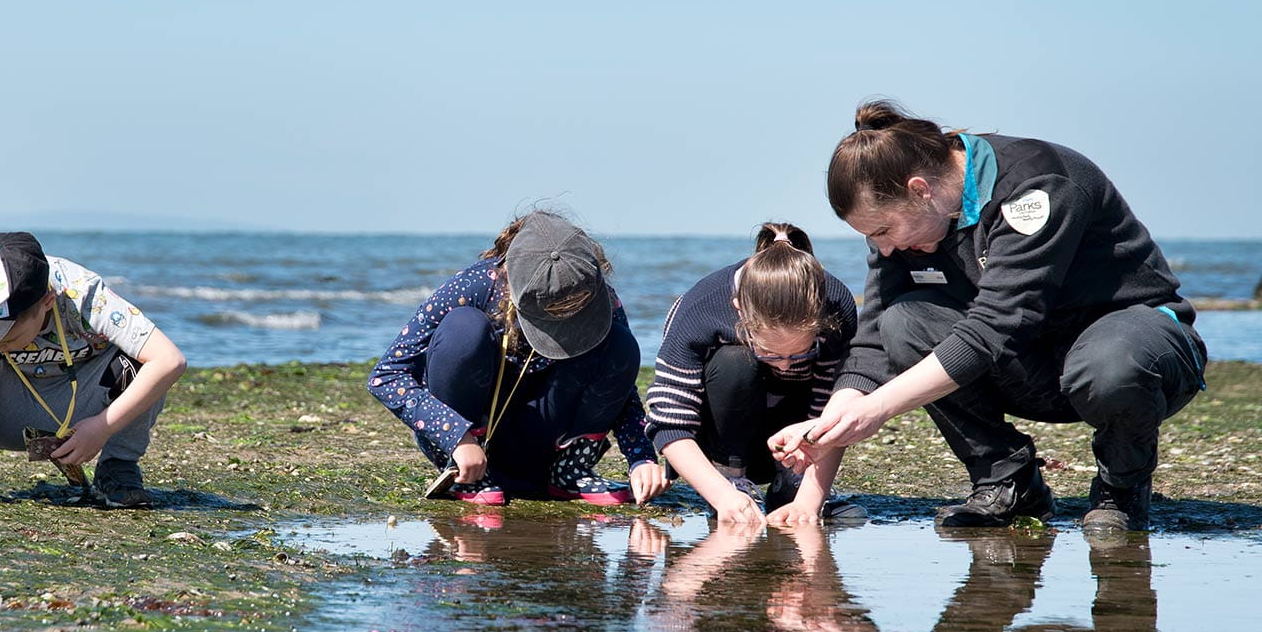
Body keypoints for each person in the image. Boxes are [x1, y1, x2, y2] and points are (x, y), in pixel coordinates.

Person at [772, 100, 1206, 534]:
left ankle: (1121, 490)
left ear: (920, 189)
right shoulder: (906, 226)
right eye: (872, 237)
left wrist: (878, 409)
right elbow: (874, 338)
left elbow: (996, 325)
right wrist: (833, 421)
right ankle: (1007, 481)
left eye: (883, 231)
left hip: (1138, 348)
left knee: (1111, 362)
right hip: (1031, 366)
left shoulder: (1037, 185)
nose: (883, 248)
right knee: (902, 323)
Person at [368, 210, 666, 507]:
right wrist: (457, 437)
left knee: (620, 343)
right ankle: (467, 473)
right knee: (464, 327)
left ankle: (568, 472)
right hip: (467, 443)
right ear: (510, 276)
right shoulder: (475, 285)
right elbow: (387, 376)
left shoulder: (602, 299)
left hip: (545, 440)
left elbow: (621, 387)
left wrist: (640, 457)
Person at [0, 232, 186, 508]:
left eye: (8, 336)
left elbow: (169, 360)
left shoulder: (81, 292)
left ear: (47, 302)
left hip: (84, 416)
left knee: (139, 360)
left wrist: (102, 427)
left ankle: (118, 469)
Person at [644, 223, 866, 526]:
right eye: (772, 354)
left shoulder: (836, 304)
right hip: (715, 443)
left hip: (794, 444)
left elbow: (833, 413)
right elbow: (668, 421)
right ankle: (732, 478)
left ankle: (791, 481)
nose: (786, 365)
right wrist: (721, 495)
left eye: (800, 354)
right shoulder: (700, 308)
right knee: (735, 361)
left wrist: (808, 502)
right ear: (739, 310)